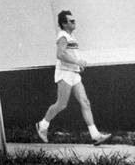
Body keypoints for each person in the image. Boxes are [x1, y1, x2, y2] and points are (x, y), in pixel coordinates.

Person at [36, 10, 111, 145]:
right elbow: (60, 54)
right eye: (71, 21)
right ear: (64, 24)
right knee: (62, 104)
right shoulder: (63, 35)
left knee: (85, 102)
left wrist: (78, 65)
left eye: (74, 20)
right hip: (64, 73)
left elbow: (71, 54)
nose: (74, 22)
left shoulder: (72, 36)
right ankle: (42, 126)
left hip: (74, 73)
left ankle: (95, 135)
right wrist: (77, 62)